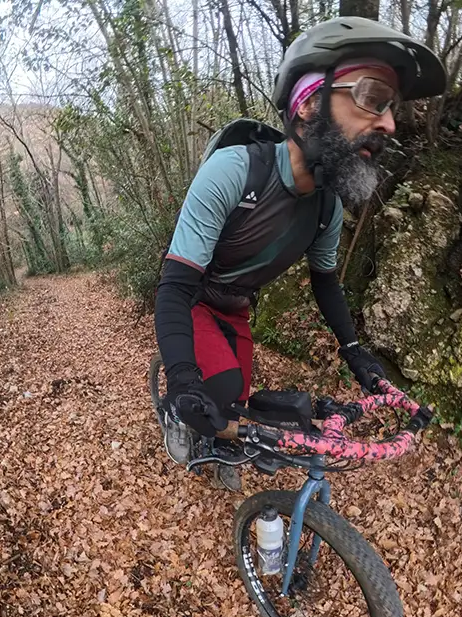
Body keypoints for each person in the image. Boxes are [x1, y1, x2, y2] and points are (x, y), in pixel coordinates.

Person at [154, 17, 447, 490]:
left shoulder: (327, 205)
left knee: (239, 402)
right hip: (194, 299)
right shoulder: (234, 172)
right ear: (309, 103)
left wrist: (355, 352)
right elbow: (174, 285)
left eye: (391, 107)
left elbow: (325, 281)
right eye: (371, 97)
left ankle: (218, 423)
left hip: (237, 307)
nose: (389, 123)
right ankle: (175, 418)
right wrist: (182, 379)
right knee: (218, 397)